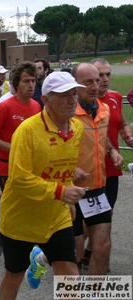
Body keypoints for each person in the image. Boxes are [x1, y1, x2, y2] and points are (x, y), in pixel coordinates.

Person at [0, 71, 87, 300]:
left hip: (56, 216)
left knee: (70, 276)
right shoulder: (27, 131)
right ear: (46, 99)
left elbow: (64, 167)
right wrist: (61, 191)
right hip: (20, 218)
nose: (72, 99)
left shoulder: (77, 128)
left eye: (74, 93)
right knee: (14, 276)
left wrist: (65, 195)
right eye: (64, 95)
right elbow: (18, 179)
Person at [79, 58, 133, 270]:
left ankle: (93, 256)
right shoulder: (69, 108)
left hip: (109, 168)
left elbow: (118, 124)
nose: (103, 80)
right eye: (98, 76)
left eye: (107, 75)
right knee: (80, 230)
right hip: (82, 174)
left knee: (104, 226)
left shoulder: (114, 99)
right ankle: (47, 257)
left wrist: (123, 137)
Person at [71, 63, 124, 275]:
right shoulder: (64, 111)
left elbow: (99, 140)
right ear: (75, 85)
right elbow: (46, 148)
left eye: (98, 80)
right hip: (70, 190)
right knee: (72, 253)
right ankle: (40, 257)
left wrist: (112, 151)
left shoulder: (104, 109)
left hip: (97, 187)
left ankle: (95, 295)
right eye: (88, 82)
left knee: (103, 246)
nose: (96, 85)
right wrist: (71, 168)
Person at [0, 61, 42, 217]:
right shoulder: (5, 107)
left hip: (30, 165)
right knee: (16, 207)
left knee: (27, 203)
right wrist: (14, 147)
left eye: (33, 81)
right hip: (7, 165)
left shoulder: (36, 106)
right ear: (15, 84)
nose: (31, 85)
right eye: (26, 81)